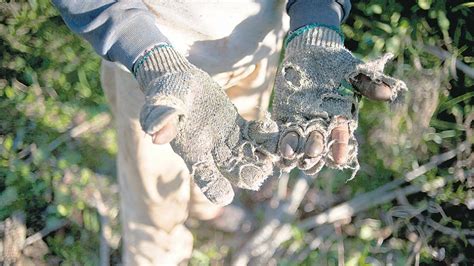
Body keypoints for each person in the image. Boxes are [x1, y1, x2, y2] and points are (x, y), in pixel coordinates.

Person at [52, 0, 406, 264]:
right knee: (152, 182)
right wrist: (152, 60)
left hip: (255, 50)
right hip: (154, 70)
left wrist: (315, 24)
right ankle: (154, 252)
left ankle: (205, 210)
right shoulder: (153, 66)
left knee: (229, 147)